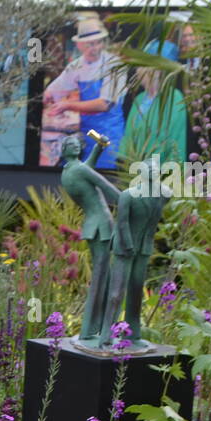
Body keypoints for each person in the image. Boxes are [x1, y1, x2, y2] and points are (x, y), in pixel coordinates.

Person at [58, 132, 120, 343]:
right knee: (103, 275)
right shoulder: (80, 169)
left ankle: (102, 327)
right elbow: (108, 188)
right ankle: (91, 329)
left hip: (93, 223)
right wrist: (131, 204)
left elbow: (86, 167)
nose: (75, 147)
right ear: (64, 149)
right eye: (71, 144)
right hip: (102, 222)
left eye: (77, 144)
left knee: (105, 273)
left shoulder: (67, 172)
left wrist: (98, 148)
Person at [43, 17, 127, 168]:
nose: (95, 48)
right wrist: (47, 96)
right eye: (89, 44)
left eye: (98, 42)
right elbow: (54, 89)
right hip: (87, 131)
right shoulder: (76, 65)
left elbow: (104, 104)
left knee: (104, 173)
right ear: (79, 45)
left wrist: (67, 105)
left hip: (110, 132)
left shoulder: (114, 65)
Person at [99, 176, 167, 349]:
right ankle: (106, 334)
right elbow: (122, 223)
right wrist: (129, 246)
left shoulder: (161, 195)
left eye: (156, 170)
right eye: (149, 169)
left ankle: (134, 334)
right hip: (125, 246)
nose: (153, 172)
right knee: (117, 293)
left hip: (144, 248)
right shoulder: (128, 195)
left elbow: (167, 191)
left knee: (136, 292)